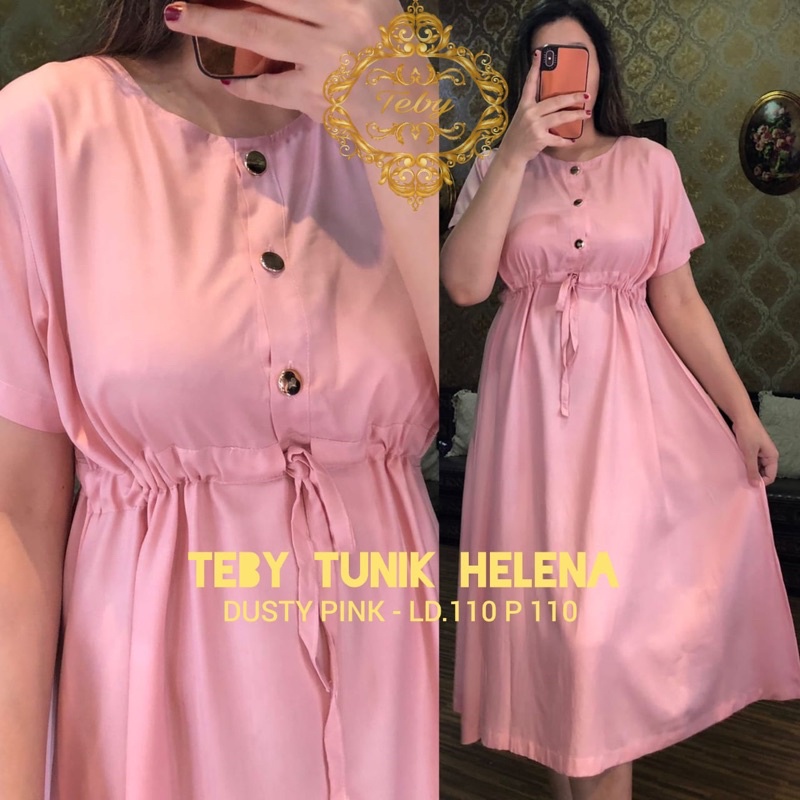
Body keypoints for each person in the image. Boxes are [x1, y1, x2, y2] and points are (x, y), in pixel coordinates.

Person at [0, 1, 439, 798]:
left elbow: (481, 406)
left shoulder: (394, 121)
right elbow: (18, 513)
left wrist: (402, 147)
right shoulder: (45, 129)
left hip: (382, 690)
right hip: (158, 708)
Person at [440, 1, 800, 799]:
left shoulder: (649, 165)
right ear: (525, 76)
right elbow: (464, 285)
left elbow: (681, 303)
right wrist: (512, 154)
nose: (564, 73)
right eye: (546, 59)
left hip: (631, 420)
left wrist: (742, 416)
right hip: (530, 426)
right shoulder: (497, 168)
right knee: (556, 636)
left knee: (597, 637)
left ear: (601, 68)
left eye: (578, 55)